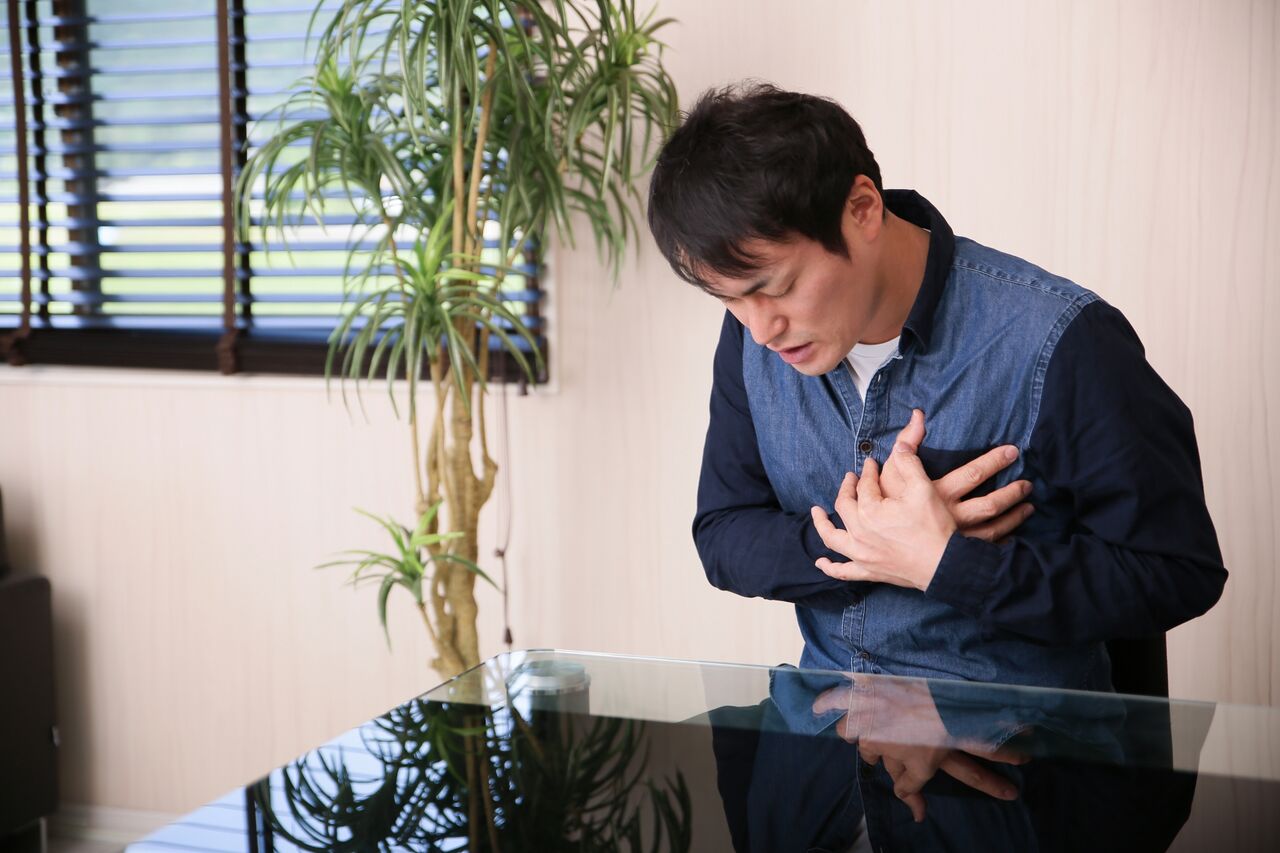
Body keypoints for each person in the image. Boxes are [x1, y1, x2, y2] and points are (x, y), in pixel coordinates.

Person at [646, 82, 1227, 818]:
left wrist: (950, 564)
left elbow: (1177, 571)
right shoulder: (753, 339)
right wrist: (864, 543)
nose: (760, 329)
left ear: (862, 210)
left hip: (1018, 772)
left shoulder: (1064, 341)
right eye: (729, 299)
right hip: (821, 755)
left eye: (776, 287)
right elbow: (723, 533)